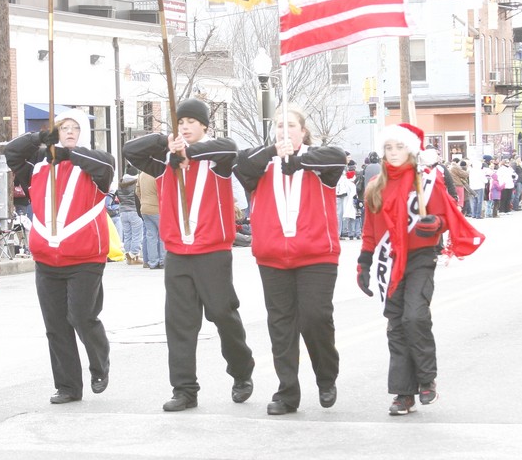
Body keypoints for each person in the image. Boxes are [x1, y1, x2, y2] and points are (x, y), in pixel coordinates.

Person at [124, 98, 255, 412]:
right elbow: (131, 152)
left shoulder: (216, 160)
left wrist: (189, 151)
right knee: (179, 323)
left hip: (212, 252)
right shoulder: (164, 163)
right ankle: (184, 389)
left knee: (223, 314)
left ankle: (241, 372)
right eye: (180, 122)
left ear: (205, 127)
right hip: (179, 254)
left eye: (191, 122)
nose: (185, 126)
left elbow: (229, 148)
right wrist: (166, 146)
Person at [355, 123, 483, 416]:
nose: (394, 152)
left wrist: (434, 225)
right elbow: (370, 231)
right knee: (396, 325)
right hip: (390, 259)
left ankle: (426, 379)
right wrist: (364, 263)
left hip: (420, 257)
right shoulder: (376, 187)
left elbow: (446, 216)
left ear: (411, 150)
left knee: (415, 316)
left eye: (400, 147)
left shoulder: (426, 182)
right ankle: (403, 393)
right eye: (389, 147)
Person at [235, 107, 344, 415]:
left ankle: (326, 377)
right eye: (279, 126)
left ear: (303, 131)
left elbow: (338, 157)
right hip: (273, 256)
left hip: (316, 255)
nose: (285, 130)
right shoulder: (261, 163)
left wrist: (297, 161)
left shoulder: (318, 161)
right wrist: (274, 152)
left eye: (291, 125)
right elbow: (240, 164)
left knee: (314, 317)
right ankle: (287, 393)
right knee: (281, 326)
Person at [4, 109, 115, 404]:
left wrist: (69, 154)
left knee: (81, 316)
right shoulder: (39, 163)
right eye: (63, 127)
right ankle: (67, 385)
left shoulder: (98, 162)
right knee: (56, 325)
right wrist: (41, 139)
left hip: (85, 258)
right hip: (47, 260)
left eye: (74, 128)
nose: (68, 132)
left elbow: (103, 169)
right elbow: (11, 153)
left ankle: (99, 362)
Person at [136, 171, 165, 270]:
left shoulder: (141, 174)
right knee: (162, 236)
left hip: (144, 209)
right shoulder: (156, 174)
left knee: (150, 236)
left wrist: (143, 201)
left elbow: (137, 191)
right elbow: (160, 192)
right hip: (157, 209)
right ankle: (162, 261)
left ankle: (152, 262)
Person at [116, 167, 143, 264]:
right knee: (137, 235)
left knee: (127, 235)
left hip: (123, 212)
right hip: (134, 211)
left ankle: (128, 256)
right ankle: (134, 255)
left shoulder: (121, 183)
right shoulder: (136, 183)